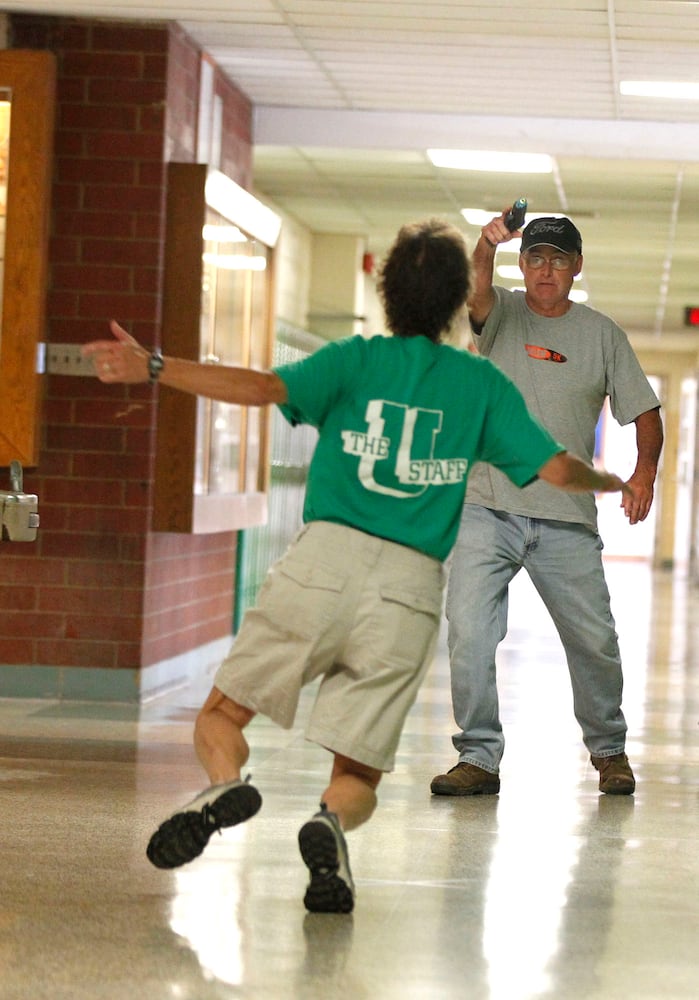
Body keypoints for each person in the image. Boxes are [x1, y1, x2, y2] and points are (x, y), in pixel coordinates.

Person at [83, 219, 629, 914]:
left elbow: (258, 387)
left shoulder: (352, 360)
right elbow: (554, 467)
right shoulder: (479, 383)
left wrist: (155, 366)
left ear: (386, 292)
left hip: (323, 562)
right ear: (455, 301)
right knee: (357, 770)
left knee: (222, 716)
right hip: (405, 590)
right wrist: (616, 484)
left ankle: (224, 784)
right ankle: (328, 823)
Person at [430, 210, 663, 801]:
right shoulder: (500, 313)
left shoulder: (602, 334)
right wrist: (486, 242)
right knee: (470, 630)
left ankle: (609, 750)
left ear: (576, 267)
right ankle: (478, 757)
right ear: (522, 264)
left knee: (594, 640)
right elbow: (476, 286)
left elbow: (646, 413)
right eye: (535, 257)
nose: (545, 270)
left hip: (565, 517)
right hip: (486, 506)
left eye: (559, 259)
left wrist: (644, 473)